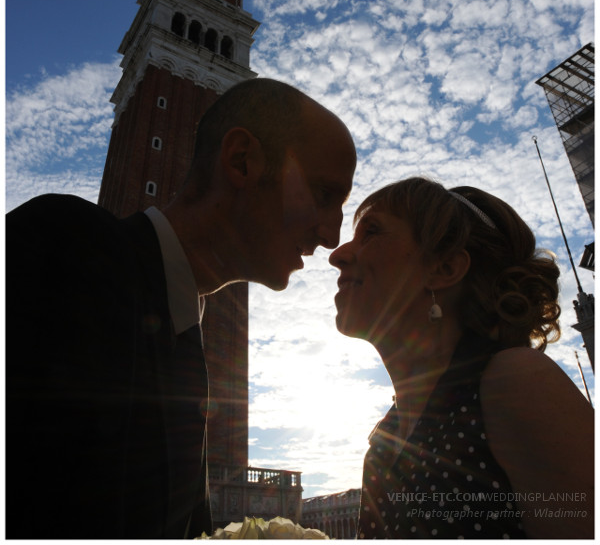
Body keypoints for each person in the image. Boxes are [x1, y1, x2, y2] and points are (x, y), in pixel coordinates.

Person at [6, 78, 357, 539]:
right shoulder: (65, 244)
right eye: (324, 195)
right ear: (241, 161)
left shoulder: (189, 341)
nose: (332, 236)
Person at [329, 176, 593, 539]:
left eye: (371, 232)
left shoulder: (515, 382)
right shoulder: (383, 440)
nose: (337, 255)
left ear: (445, 269)